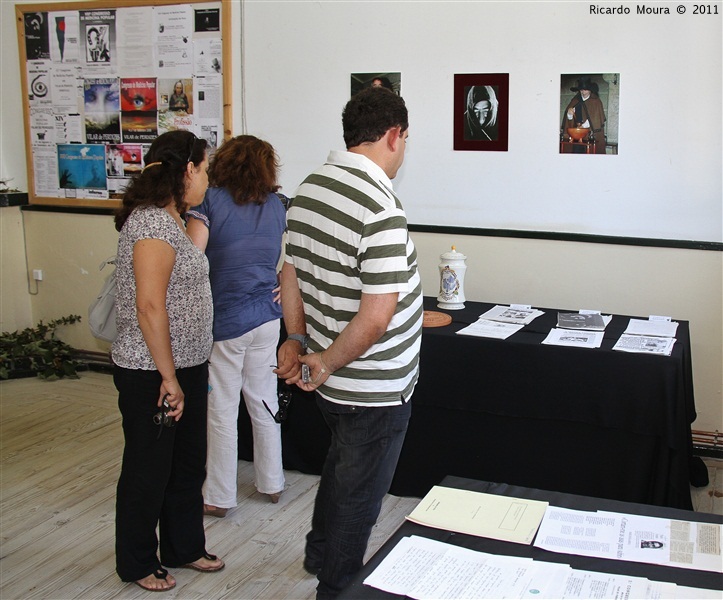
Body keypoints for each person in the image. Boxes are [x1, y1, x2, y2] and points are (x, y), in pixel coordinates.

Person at [275, 87, 423, 599]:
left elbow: (290, 271)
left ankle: (319, 551)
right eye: (405, 140)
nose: (403, 150)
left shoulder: (308, 188)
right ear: (392, 135)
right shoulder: (380, 206)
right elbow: (377, 317)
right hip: (372, 388)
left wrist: (297, 339)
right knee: (359, 498)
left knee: (341, 469)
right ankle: (334, 587)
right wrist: (325, 361)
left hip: (334, 384)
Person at [112, 130, 224, 592]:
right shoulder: (150, 225)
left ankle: (183, 546)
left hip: (188, 366)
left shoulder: (175, 219)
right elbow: (150, 306)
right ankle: (137, 560)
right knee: (148, 467)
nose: (209, 178)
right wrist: (168, 377)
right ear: (189, 170)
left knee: (186, 463)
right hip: (153, 372)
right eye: (206, 167)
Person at [186, 135, 287, 517]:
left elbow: (192, 261)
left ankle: (219, 496)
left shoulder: (209, 202)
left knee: (223, 408)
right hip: (266, 318)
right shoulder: (277, 205)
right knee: (264, 400)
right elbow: (288, 260)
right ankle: (272, 483)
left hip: (226, 321)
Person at [562, 76, 606, 154]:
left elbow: (595, 119)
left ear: (590, 90)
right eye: (582, 90)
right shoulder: (575, 100)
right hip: (576, 134)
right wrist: (569, 113)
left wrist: (583, 127)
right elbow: (569, 120)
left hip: (590, 134)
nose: (583, 92)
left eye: (586, 90)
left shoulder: (596, 101)